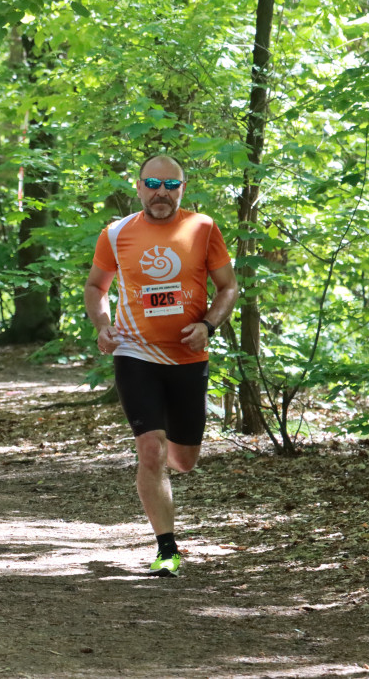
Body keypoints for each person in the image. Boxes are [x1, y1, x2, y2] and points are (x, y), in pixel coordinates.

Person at [84, 155, 238, 577]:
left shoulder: (202, 228)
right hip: (135, 353)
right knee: (150, 449)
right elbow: (97, 286)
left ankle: (163, 471)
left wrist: (208, 325)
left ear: (183, 189)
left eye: (172, 185)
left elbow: (228, 287)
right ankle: (166, 548)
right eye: (153, 183)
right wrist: (102, 326)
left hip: (188, 357)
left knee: (183, 459)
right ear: (138, 187)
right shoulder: (116, 233)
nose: (161, 192)